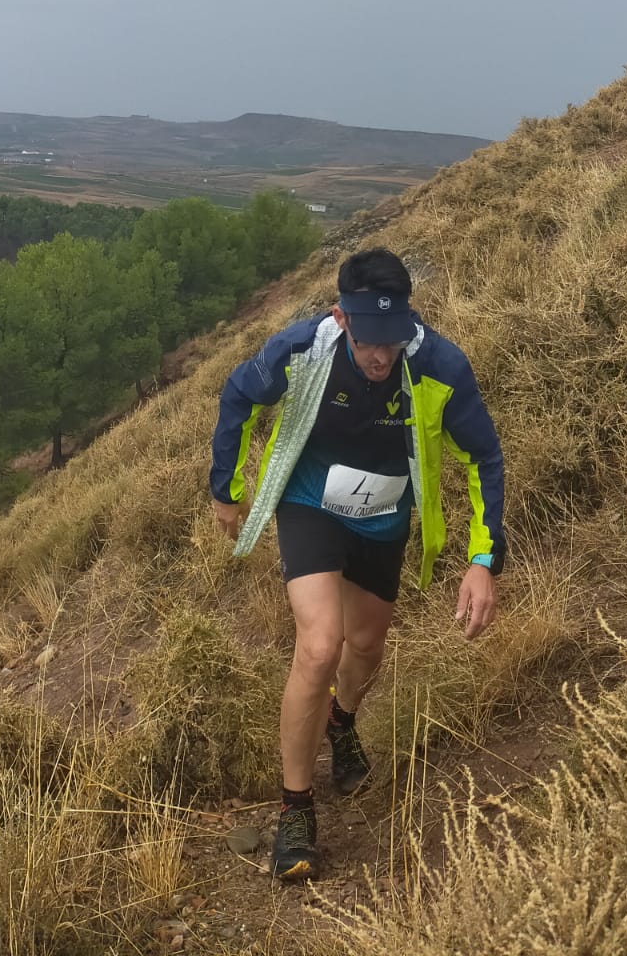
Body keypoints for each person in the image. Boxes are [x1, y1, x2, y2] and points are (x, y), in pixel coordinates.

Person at [209, 247, 506, 882]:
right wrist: (225, 489)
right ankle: (296, 812)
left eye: (392, 339)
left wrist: (484, 559)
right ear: (341, 319)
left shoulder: (439, 365)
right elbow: (238, 395)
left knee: (366, 647)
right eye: (369, 341)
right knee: (320, 645)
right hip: (310, 502)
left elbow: (485, 459)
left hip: (385, 516)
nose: (381, 356)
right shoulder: (302, 349)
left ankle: (341, 724)